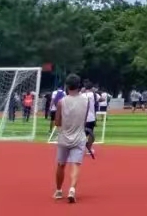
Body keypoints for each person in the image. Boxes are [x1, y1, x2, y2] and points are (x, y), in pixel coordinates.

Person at [52, 74, 90, 203]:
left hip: (64, 137)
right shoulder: (86, 101)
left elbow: (57, 122)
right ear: (79, 85)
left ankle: (58, 190)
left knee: (61, 164)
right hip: (79, 136)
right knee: (76, 164)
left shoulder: (61, 102)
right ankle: (72, 189)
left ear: (67, 86)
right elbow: (84, 120)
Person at [82, 81, 98, 158]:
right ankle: (89, 148)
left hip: (82, 117)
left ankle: (78, 148)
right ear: (92, 88)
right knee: (91, 134)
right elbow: (101, 99)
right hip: (91, 117)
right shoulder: (94, 95)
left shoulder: (81, 95)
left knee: (81, 133)